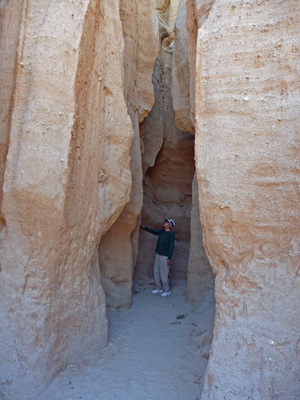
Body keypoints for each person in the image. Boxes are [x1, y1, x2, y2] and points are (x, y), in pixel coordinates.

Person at [140, 218, 175, 297]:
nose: (165, 223)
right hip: (158, 255)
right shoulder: (162, 231)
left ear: (169, 225)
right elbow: (153, 231)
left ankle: (167, 290)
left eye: (167, 222)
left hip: (165, 257)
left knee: (164, 274)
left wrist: (169, 258)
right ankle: (159, 288)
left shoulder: (171, 234)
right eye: (165, 222)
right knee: (156, 272)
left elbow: (171, 246)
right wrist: (144, 227)